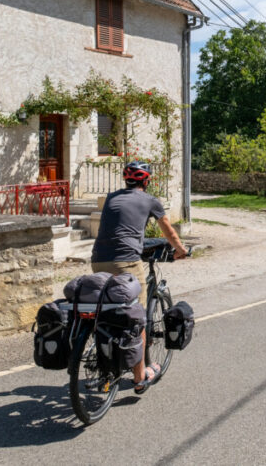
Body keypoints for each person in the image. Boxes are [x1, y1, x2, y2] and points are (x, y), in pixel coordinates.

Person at [91, 160, 187, 394]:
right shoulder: (150, 200)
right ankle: (139, 376)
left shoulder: (112, 198)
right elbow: (168, 230)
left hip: (98, 259)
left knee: (109, 309)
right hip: (126, 263)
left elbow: (119, 228)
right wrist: (181, 250)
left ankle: (104, 356)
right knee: (138, 317)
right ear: (147, 180)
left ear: (126, 180)